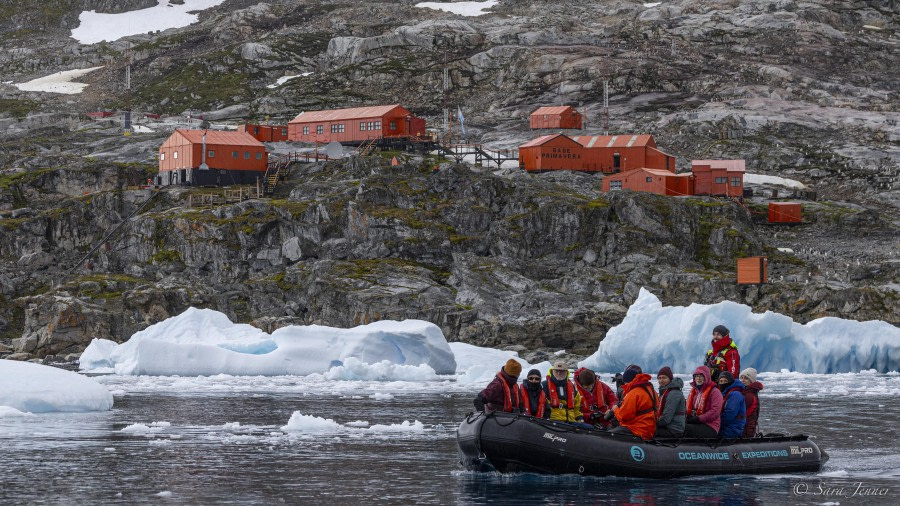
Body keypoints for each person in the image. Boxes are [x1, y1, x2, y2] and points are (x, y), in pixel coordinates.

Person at [606, 365, 658, 440]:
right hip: (651, 429)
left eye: (625, 383)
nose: (625, 385)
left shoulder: (633, 393)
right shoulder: (652, 390)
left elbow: (624, 417)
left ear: (629, 381)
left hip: (638, 430)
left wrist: (615, 409)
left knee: (608, 435)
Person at [684, 365, 723, 438]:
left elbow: (715, 411)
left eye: (701, 376)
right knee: (678, 426)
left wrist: (699, 419)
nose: (698, 378)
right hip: (697, 423)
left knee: (683, 429)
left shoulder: (715, 392)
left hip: (710, 426)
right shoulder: (695, 392)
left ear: (707, 377)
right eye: (696, 376)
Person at [654, 366, 686, 438]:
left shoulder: (674, 393)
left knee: (647, 431)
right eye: (659, 378)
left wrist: (651, 423)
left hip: (673, 429)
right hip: (668, 426)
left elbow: (666, 419)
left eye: (664, 378)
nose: (661, 381)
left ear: (670, 379)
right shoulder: (665, 392)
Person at [717, 371, 746, 438]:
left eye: (725, 381)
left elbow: (730, 414)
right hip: (725, 427)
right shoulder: (724, 393)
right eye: (721, 381)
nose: (723, 383)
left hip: (731, 429)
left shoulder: (735, 395)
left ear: (730, 381)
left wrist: (716, 423)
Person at [739, 367, 764, 437]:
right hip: (748, 429)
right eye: (742, 378)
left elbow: (742, 413)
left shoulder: (749, 395)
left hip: (745, 430)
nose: (743, 380)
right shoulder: (749, 393)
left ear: (751, 380)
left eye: (746, 378)